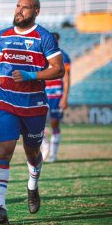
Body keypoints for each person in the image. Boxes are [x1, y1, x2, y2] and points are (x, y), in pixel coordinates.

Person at [0, 0, 65, 224]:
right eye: (18, 6)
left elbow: (58, 70)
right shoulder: (3, 34)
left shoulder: (44, 37)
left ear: (36, 11)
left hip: (34, 106)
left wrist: (32, 75)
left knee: (32, 153)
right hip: (7, 104)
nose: (20, 11)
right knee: (3, 152)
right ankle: (0, 207)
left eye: (26, 8)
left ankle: (32, 184)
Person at [41, 32, 71, 162]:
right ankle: (45, 145)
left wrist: (64, 97)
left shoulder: (63, 57)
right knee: (33, 123)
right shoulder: (42, 55)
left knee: (54, 123)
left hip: (56, 95)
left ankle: (53, 154)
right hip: (42, 93)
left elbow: (67, 78)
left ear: (57, 41)